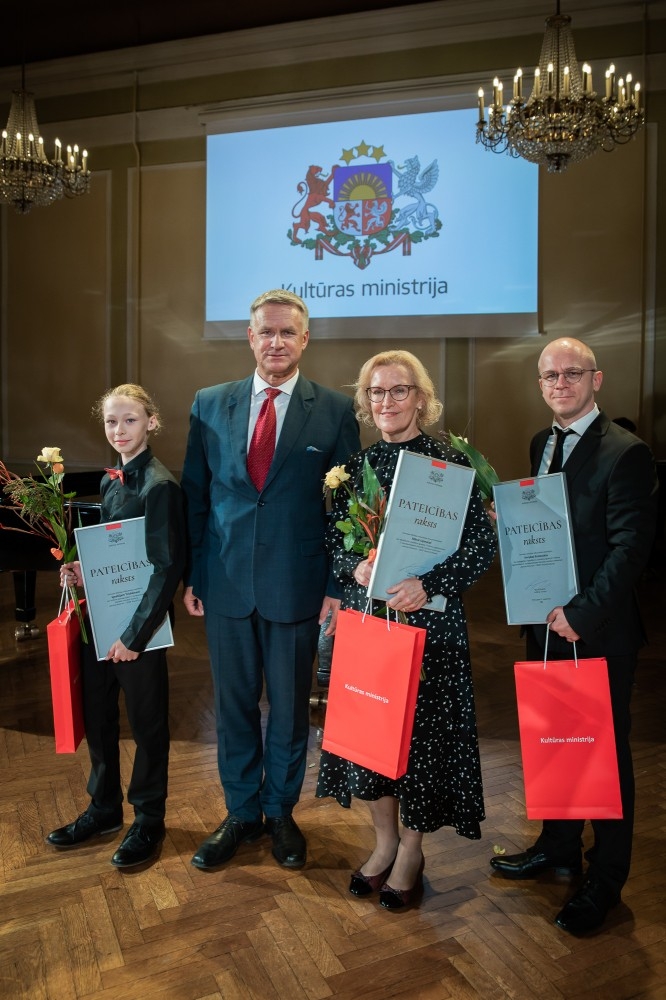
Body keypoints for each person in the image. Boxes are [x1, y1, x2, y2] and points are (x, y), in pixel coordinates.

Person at [181, 289, 361, 871]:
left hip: (298, 587)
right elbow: (196, 497)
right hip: (225, 583)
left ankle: (281, 812)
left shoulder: (334, 411)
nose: (276, 342)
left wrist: (337, 585)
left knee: (288, 709)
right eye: (266, 332)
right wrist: (193, 575)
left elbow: (348, 510)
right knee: (233, 707)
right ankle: (240, 811)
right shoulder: (210, 404)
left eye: (288, 333)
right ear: (250, 337)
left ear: (305, 340)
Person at [316, 349, 497, 910]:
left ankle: (413, 851)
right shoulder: (353, 470)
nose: (386, 401)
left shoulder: (453, 464)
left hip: (432, 627)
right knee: (372, 740)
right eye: (376, 392)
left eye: (398, 390)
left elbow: (480, 547)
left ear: (421, 396)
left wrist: (430, 581)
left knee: (420, 744)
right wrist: (356, 566)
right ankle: (384, 841)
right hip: (370, 625)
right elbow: (335, 543)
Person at [490, 338, 659, 935]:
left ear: (597, 379)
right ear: (539, 385)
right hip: (545, 628)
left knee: (603, 759)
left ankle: (605, 880)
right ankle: (557, 846)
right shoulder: (543, 443)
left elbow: (630, 549)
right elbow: (549, 527)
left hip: (598, 631)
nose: (560, 383)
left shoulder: (626, 453)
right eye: (549, 375)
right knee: (555, 744)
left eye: (572, 373)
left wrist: (582, 614)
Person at [47, 384, 186, 868]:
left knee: (148, 728)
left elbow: (166, 567)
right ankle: (104, 809)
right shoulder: (112, 480)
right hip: (101, 620)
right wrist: (83, 570)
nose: (119, 430)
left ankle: (149, 819)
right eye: (111, 422)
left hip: (138, 632)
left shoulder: (160, 485)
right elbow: (118, 555)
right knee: (100, 719)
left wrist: (133, 637)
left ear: (151, 422)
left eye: (129, 420)